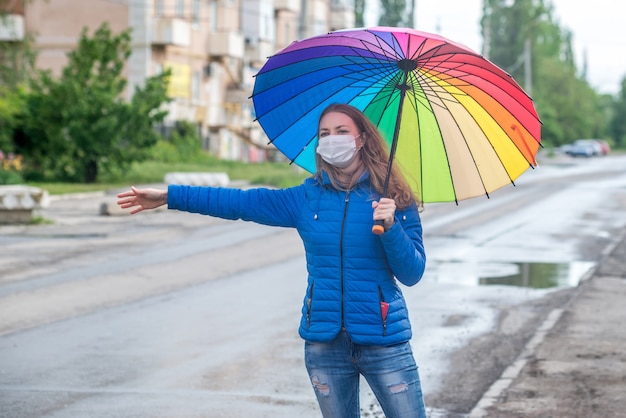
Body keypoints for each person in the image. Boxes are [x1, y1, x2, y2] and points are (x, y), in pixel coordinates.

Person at [117, 103, 427, 418]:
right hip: (324, 342)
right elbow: (239, 202)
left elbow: (412, 272)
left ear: (361, 139)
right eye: (324, 133)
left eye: (341, 131)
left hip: (385, 340)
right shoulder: (307, 197)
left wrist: (391, 229)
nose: (332, 139)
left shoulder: (395, 198)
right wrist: (170, 196)